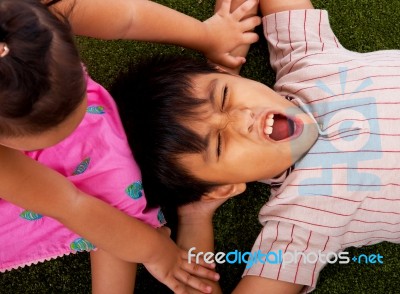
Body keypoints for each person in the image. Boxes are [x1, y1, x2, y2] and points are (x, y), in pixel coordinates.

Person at [110, 0, 400, 292]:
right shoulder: (300, 225)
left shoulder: (306, 59)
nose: (242, 118)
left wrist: (222, 45)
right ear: (224, 188)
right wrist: (195, 216)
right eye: (220, 145)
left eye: (224, 96)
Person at [0, 0, 261, 293]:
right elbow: (71, 205)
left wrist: (207, 35)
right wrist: (156, 253)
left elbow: (128, 17)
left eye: (77, 95)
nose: (78, 120)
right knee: (112, 217)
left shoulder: (24, 21)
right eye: (53, 132)